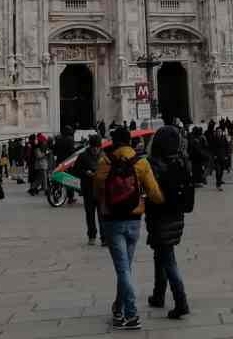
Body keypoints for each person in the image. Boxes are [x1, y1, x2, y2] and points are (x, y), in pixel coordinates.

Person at [94, 126, 164, 330]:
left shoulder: (104, 163)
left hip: (112, 222)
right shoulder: (141, 162)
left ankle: (130, 314)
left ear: (113, 143)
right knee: (125, 268)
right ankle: (118, 309)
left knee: (123, 269)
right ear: (131, 142)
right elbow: (154, 193)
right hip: (134, 220)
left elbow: (97, 192)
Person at [145, 126, 193, 320]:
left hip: (159, 215)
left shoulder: (154, 163)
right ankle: (158, 295)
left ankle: (181, 302)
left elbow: (150, 190)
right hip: (177, 215)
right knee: (160, 254)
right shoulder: (182, 161)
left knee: (168, 259)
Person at [73, 134, 103, 245]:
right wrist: (85, 172)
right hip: (88, 189)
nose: (95, 149)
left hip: (100, 190)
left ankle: (104, 237)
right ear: (90, 146)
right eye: (93, 147)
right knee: (90, 214)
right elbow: (75, 170)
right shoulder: (83, 156)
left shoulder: (103, 155)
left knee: (102, 215)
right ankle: (92, 236)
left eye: (97, 147)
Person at [52, 127, 77, 204]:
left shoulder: (58, 139)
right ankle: (70, 198)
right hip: (67, 162)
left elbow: (54, 151)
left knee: (58, 178)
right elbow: (72, 152)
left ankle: (55, 196)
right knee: (69, 179)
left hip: (59, 162)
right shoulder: (70, 139)